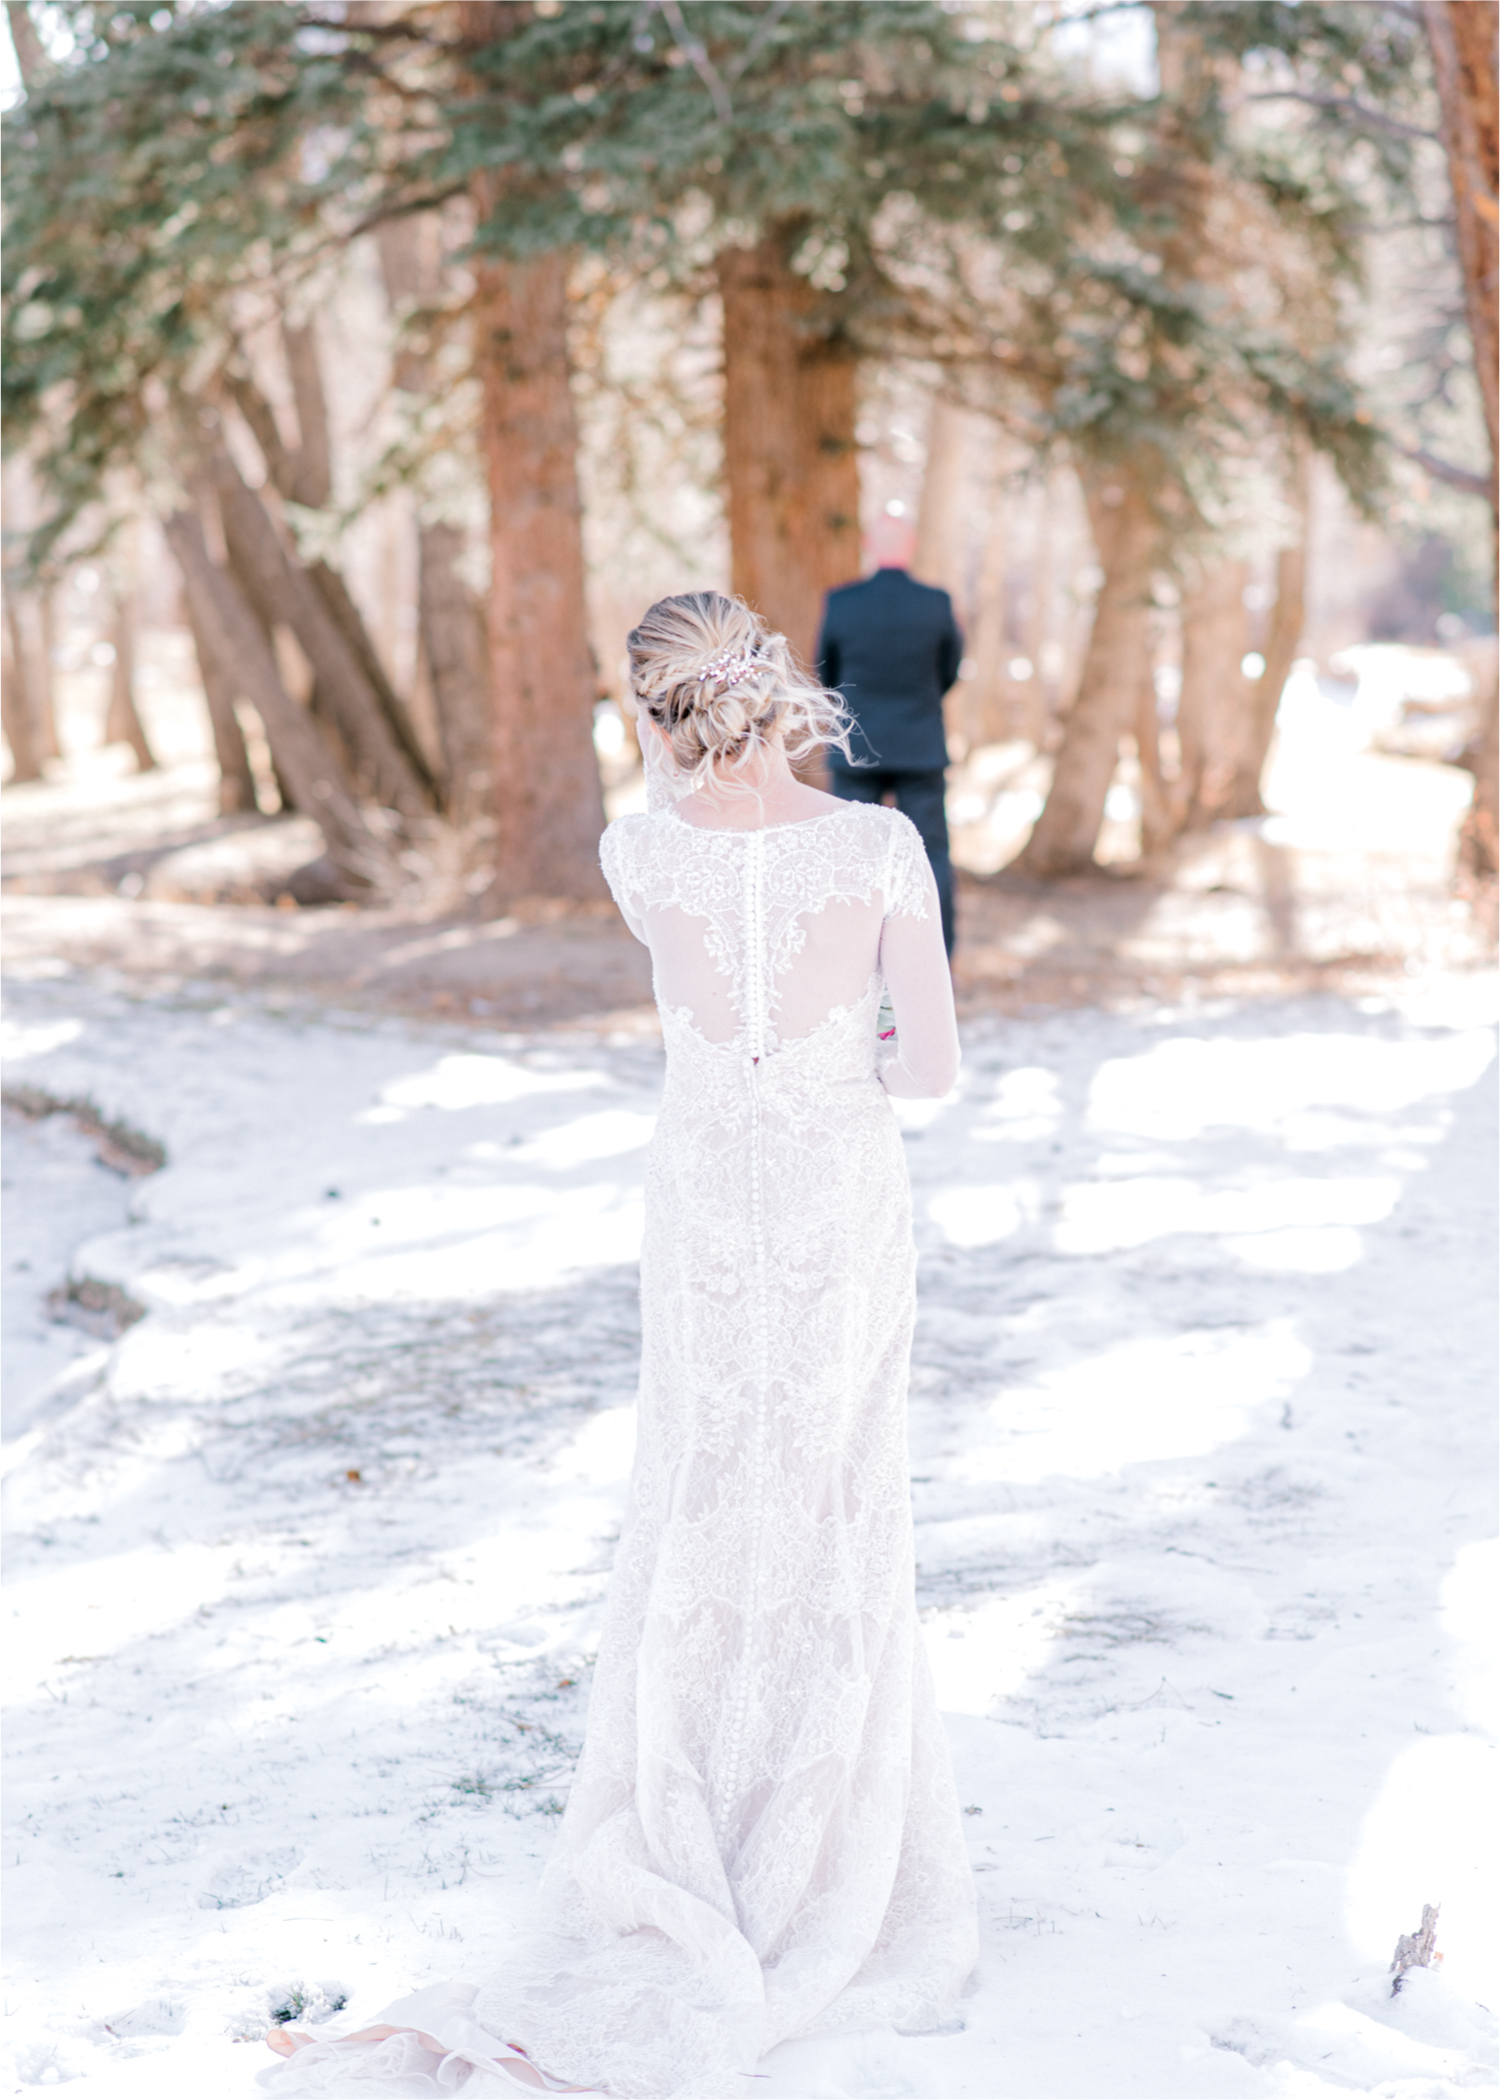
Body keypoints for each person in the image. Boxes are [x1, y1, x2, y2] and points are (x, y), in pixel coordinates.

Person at [262, 591, 977, 2099]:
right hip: (844, 1197)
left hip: (709, 1208)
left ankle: (695, 1805)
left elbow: (704, 952)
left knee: (709, 1480)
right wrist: (861, 1033)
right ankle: (834, 1841)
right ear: (777, 688)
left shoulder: (639, 853)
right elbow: (932, 1080)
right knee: (839, 1487)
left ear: (655, 714)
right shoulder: (880, 847)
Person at [816, 512, 963, 957]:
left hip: (856, 745)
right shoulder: (936, 602)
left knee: (851, 858)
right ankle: (939, 952)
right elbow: (949, 670)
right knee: (931, 853)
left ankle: (849, 952)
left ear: (869, 545)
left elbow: (826, 672)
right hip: (919, 744)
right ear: (911, 544)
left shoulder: (841, 602)